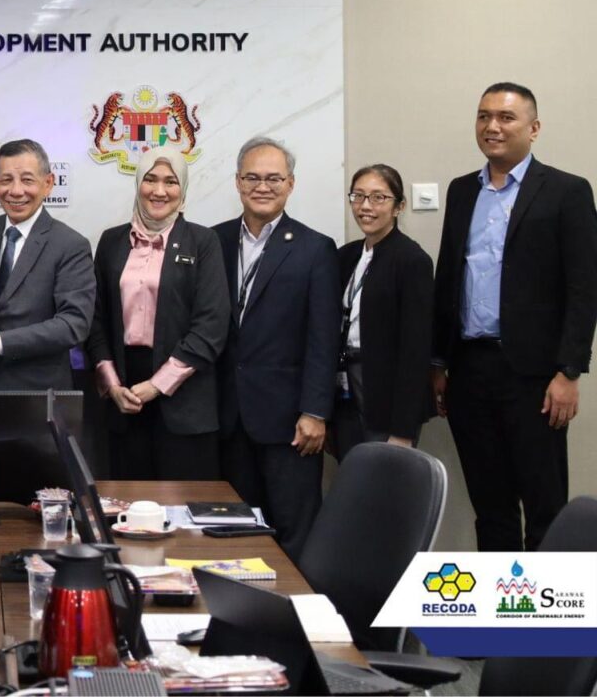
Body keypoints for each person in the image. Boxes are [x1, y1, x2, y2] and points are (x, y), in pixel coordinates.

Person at [433, 82, 597, 552]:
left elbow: (584, 287)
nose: (493, 126)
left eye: (506, 117)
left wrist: (569, 371)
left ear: (534, 128)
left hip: (535, 376)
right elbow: (449, 276)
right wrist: (438, 361)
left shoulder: (567, 191)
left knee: (545, 506)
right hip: (469, 370)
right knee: (491, 506)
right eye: (484, 116)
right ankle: (499, 601)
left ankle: (545, 603)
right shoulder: (462, 191)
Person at [214, 136, 339, 558]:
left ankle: (298, 604)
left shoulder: (315, 248)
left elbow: (324, 338)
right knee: (234, 532)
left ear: (291, 184)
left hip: (290, 422)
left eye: (273, 178)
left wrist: (315, 411)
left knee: (294, 533)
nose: (262, 186)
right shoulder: (213, 241)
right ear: (237, 182)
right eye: (252, 177)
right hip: (227, 418)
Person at [87, 147, 229, 481]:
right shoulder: (111, 241)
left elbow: (211, 326)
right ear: (138, 183)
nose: (159, 191)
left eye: (170, 181)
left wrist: (156, 385)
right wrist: (111, 384)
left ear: (183, 189)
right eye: (150, 179)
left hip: (183, 397)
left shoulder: (203, 241)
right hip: (122, 397)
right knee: (126, 503)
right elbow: (95, 319)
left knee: (184, 504)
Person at [0, 138, 94, 392]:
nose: (16, 191)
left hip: (36, 392)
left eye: (27, 180)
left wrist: (0, 342)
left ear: (48, 183)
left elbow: (73, 324)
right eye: (6, 180)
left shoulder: (71, 244)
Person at [331, 164, 434, 461]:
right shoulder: (346, 255)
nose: (366, 206)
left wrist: (403, 429)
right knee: (351, 472)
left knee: (384, 476)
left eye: (378, 197)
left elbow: (415, 350)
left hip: (386, 393)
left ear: (399, 206)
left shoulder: (412, 260)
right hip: (345, 387)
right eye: (358, 196)